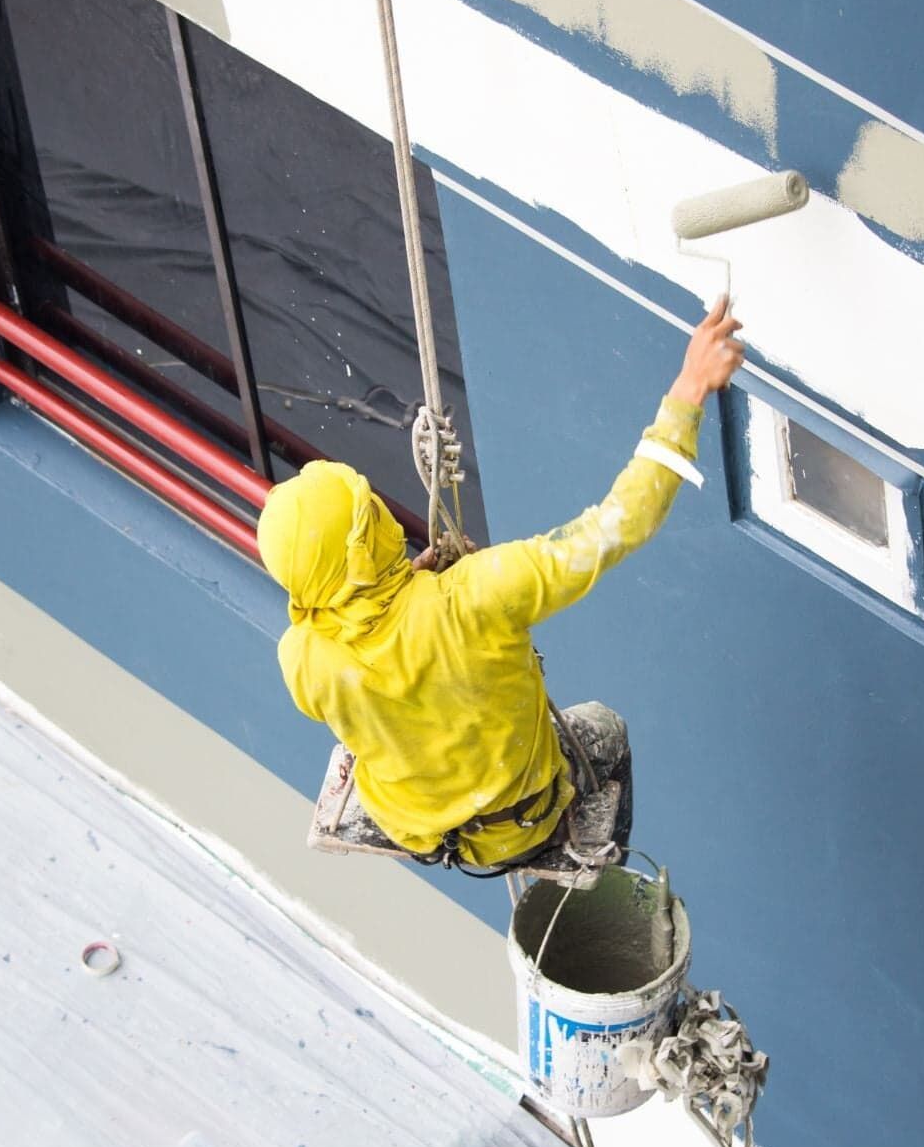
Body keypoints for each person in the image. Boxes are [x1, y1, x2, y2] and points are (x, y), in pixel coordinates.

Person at [255, 297, 746, 869]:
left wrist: (406, 591)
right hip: (519, 827)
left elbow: (384, 652)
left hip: (415, 825)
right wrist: (689, 389)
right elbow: (617, 525)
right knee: (605, 729)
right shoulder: (477, 595)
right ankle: (597, 857)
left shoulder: (301, 656)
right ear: (366, 545)